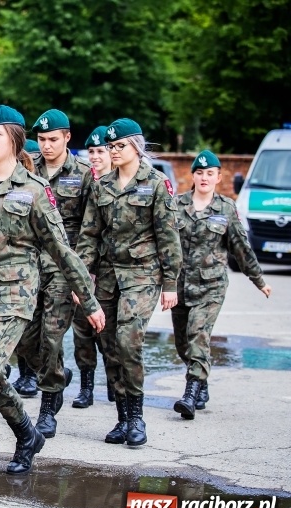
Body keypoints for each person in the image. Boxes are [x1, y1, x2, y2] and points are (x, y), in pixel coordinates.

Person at [0, 105, 105, 495]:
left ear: (13, 140)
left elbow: (63, 251)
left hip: (13, 299)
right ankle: (28, 435)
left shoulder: (33, 191)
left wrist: (89, 300)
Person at [76, 118, 182, 447]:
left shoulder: (156, 183)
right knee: (108, 344)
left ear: (135, 146)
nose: (113, 151)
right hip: (108, 274)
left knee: (128, 340)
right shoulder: (101, 185)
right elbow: (89, 236)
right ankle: (122, 417)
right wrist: (81, 279)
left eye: (119, 146)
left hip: (143, 274)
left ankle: (137, 417)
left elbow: (168, 237)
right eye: (111, 147)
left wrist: (170, 283)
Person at [172, 150, 271, 419]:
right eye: (200, 172)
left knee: (197, 335)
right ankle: (201, 380)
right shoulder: (176, 205)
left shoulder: (226, 208)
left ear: (218, 177)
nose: (204, 177)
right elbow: (165, 245)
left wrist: (257, 279)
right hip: (180, 287)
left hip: (211, 286)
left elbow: (241, 247)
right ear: (193, 176)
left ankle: (190, 394)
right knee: (183, 344)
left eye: (210, 173)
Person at [13, 109, 92, 438]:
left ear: (67, 138)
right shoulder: (28, 171)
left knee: (52, 338)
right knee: (25, 338)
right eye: (42, 140)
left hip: (62, 269)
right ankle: (56, 376)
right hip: (31, 268)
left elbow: (91, 229)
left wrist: (81, 277)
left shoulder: (84, 175)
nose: (45, 146)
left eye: (52, 139)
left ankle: (48, 408)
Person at [72, 125, 114, 408]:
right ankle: (86, 385)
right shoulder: (85, 179)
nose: (96, 156)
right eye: (92, 151)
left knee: (109, 330)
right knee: (81, 329)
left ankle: (114, 379)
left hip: (111, 268)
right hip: (82, 263)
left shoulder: (119, 183)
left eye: (101, 151)